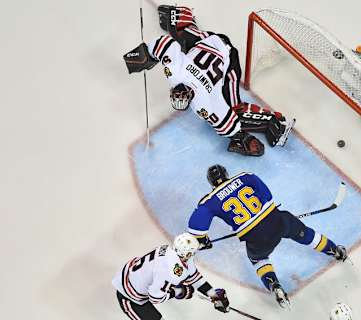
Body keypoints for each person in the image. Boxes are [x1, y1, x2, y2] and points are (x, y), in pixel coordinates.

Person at [123, 5, 295, 157]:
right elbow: (165, 44)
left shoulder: (201, 103)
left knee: (235, 108)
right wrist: (145, 54)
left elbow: (228, 122)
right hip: (210, 40)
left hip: (229, 61)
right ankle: (181, 17)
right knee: (183, 36)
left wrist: (240, 136)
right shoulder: (177, 74)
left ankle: (276, 121)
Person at [187, 165, 348, 309]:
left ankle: (274, 285)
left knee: (259, 260)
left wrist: (203, 240)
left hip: (256, 238)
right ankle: (335, 250)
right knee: (306, 234)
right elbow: (268, 196)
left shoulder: (208, 201)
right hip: (278, 220)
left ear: (211, 182)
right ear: (226, 173)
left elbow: (195, 228)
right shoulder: (245, 176)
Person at [112, 233, 230, 319]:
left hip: (135, 277)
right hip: (129, 296)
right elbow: (155, 297)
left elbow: (193, 276)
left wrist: (214, 295)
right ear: (188, 253)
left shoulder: (173, 251)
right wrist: (179, 291)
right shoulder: (170, 271)